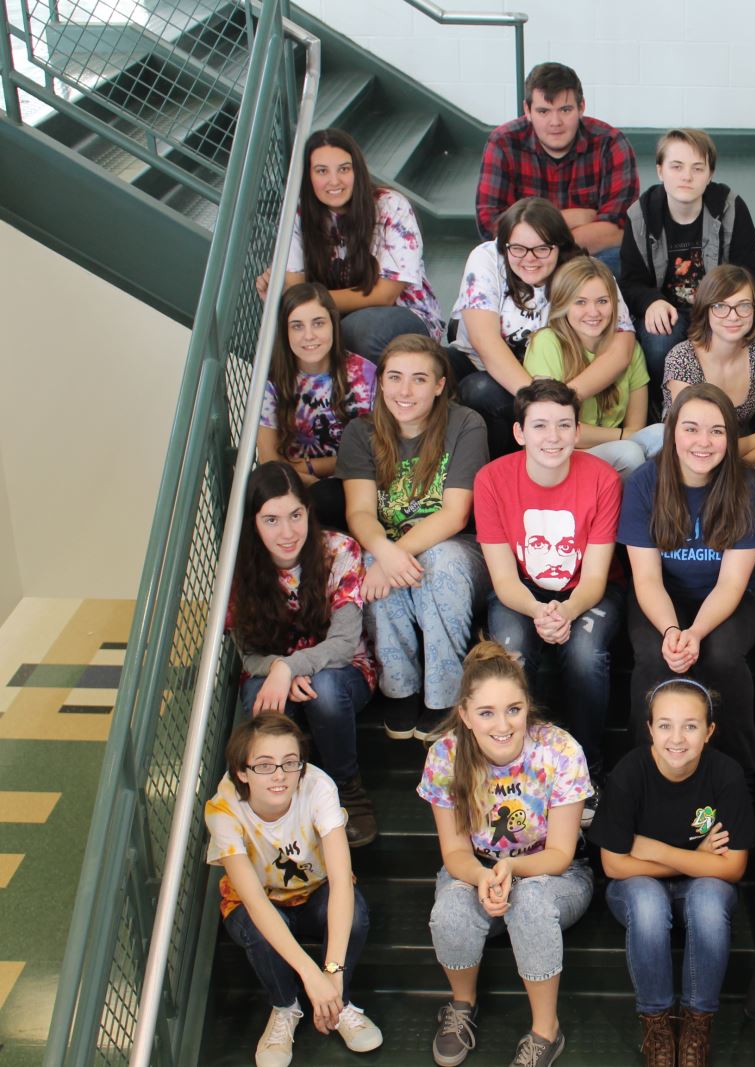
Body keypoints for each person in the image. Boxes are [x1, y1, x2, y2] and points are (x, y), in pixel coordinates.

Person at [418, 641, 594, 1067]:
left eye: (514, 710)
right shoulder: (445, 755)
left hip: (553, 875)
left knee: (530, 900)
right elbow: (455, 851)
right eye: (487, 713)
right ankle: (461, 1005)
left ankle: (545, 1031)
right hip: (478, 869)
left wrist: (511, 869)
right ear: (464, 714)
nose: (503, 724)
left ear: (527, 707)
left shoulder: (559, 750)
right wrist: (482, 878)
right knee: (451, 910)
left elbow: (560, 853)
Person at [474, 379, 623, 824]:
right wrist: (540, 611)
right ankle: (517, 769)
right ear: (520, 433)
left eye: (563, 425)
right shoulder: (492, 480)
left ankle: (587, 772)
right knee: (510, 657)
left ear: (579, 432)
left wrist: (567, 612)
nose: (552, 437)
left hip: (588, 591)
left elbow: (595, 575)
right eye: (540, 426)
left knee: (583, 653)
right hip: (521, 590)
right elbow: (502, 577)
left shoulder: (602, 479)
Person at [335, 335, 490, 741]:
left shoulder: (465, 424)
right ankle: (400, 690)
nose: (405, 391)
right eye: (395, 378)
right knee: (369, 564)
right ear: (381, 382)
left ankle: (444, 697)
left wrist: (396, 553)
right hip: (389, 549)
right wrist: (385, 552)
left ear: (439, 385)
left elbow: (455, 514)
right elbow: (360, 512)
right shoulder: (360, 433)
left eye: (419, 379)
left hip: (458, 550)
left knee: (439, 562)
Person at [204, 713, 382, 1066]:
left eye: (289, 763)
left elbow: (342, 881)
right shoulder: (224, 808)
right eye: (265, 765)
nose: (280, 775)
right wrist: (310, 975)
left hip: (315, 893)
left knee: (357, 914)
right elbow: (254, 903)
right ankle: (285, 1006)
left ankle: (338, 1002)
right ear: (242, 771)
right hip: (259, 904)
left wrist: (331, 972)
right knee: (259, 929)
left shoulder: (318, 787)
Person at [593, 679, 753, 1067]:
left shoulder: (726, 775)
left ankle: (698, 1024)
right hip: (635, 889)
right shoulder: (630, 774)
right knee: (647, 901)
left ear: (709, 731)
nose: (677, 738)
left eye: (690, 726)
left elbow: (732, 866)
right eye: (665, 725)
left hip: (702, 888)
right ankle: (658, 1024)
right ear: (649, 729)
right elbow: (614, 864)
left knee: (710, 902)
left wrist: (658, 850)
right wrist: (695, 855)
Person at [619, 382, 755, 785]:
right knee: (654, 659)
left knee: (720, 657)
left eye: (717, 431)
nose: (703, 442)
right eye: (691, 429)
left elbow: (732, 582)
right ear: (672, 432)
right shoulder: (644, 483)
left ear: (730, 437)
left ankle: (740, 774)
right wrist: (672, 631)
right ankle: (642, 772)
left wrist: (697, 632)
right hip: (662, 594)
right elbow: (647, 578)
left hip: (728, 598)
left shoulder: (749, 487)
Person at [230, 461, 379, 847]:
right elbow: (249, 657)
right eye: (272, 520)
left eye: (296, 515)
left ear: (309, 513)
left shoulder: (339, 550)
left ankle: (348, 791)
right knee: (263, 705)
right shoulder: (238, 569)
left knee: (325, 690)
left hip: (342, 671)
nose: (287, 532)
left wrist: (290, 667)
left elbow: (345, 644)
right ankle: (284, 802)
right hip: (271, 674)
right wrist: (281, 671)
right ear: (253, 523)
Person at [451, 197, 640, 458]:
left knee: (489, 394)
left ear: (560, 246)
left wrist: (563, 399)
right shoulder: (486, 259)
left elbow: (622, 345)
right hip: (487, 366)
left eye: (542, 249)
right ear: (504, 246)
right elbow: (486, 343)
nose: (530, 259)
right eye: (517, 248)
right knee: (473, 386)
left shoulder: (580, 270)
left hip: (558, 379)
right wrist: (539, 403)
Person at [618, 129, 755, 398]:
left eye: (698, 168)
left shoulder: (730, 208)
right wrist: (651, 301)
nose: (687, 176)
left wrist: (724, 309)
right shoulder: (640, 215)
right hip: (669, 311)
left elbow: (752, 276)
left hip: (719, 309)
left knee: (737, 335)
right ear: (660, 170)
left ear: (710, 175)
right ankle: (663, 408)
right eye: (677, 167)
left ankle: (732, 412)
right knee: (659, 340)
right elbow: (630, 282)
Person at [272, 128, 443, 361]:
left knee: (362, 332)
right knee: (287, 332)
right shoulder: (298, 212)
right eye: (322, 171)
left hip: (404, 314)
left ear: (357, 171)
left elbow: (385, 294)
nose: (334, 181)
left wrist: (313, 301)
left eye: (344, 169)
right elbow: (295, 289)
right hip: (330, 314)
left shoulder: (391, 206)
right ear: (308, 176)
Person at [476, 62, 639, 274]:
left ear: (581, 107)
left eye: (565, 110)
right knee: (484, 260)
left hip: (587, 259)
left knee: (620, 258)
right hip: (526, 263)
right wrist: (572, 218)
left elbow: (619, 230)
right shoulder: (503, 143)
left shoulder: (611, 144)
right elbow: (491, 226)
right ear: (527, 110)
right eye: (543, 111)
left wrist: (538, 243)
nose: (555, 122)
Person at [256, 283, 377, 531]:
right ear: (285, 332)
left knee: (328, 497)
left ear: (333, 324)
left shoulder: (364, 373)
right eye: (297, 326)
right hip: (295, 484)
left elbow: (376, 449)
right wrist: (306, 478)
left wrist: (312, 467)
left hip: (359, 479)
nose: (308, 335)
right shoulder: (271, 385)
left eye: (318, 323)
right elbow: (270, 461)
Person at [523, 256, 653, 475]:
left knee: (661, 434)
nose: (593, 312)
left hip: (614, 446)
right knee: (630, 453)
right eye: (580, 302)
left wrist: (626, 437)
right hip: (561, 454)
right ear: (563, 305)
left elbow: (636, 429)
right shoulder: (547, 343)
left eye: (602, 301)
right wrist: (622, 436)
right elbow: (550, 430)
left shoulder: (628, 348)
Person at [654, 264, 755, 467]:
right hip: (687, 460)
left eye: (744, 305)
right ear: (705, 309)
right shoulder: (682, 357)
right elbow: (695, 445)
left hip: (735, 460)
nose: (733, 316)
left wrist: (734, 470)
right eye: (720, 306)